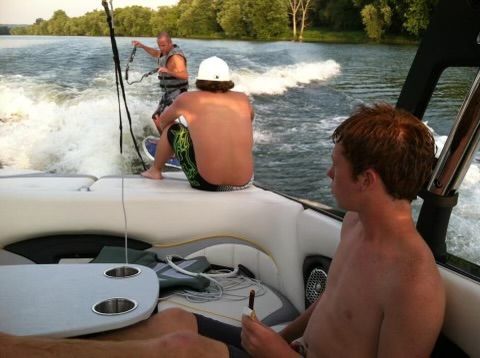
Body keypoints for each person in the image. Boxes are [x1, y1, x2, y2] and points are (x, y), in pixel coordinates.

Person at [0, 103, 445, 357]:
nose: (328, 175)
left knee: (182, 348)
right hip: (292, 351)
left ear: (367, 180)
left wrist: (278, 354)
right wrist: (282, 338)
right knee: (175, 318)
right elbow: (331, 303)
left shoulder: (413, 282)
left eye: (337, 167)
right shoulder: (355, 223)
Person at [141, 56, 254, 192]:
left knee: (173, 128)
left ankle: (155, 171)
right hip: (245, 182)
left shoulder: (187, 99)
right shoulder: (243, 98)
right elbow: (249, 120)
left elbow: (163, 122)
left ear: (201, 78)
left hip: (208, 184)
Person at [132, 32, 189, 118]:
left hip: (178, 92)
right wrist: (142, 46)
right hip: (169, 93)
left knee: (158, 118)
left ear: (170, 43)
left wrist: (168, 71)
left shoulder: (176, 57)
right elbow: (155, 53)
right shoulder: (165, 52)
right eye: (159, 46)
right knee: (157, 118)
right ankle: (168, 130)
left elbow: (185, 75)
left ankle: (177, 131)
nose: (161, 48)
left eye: (163, 45)